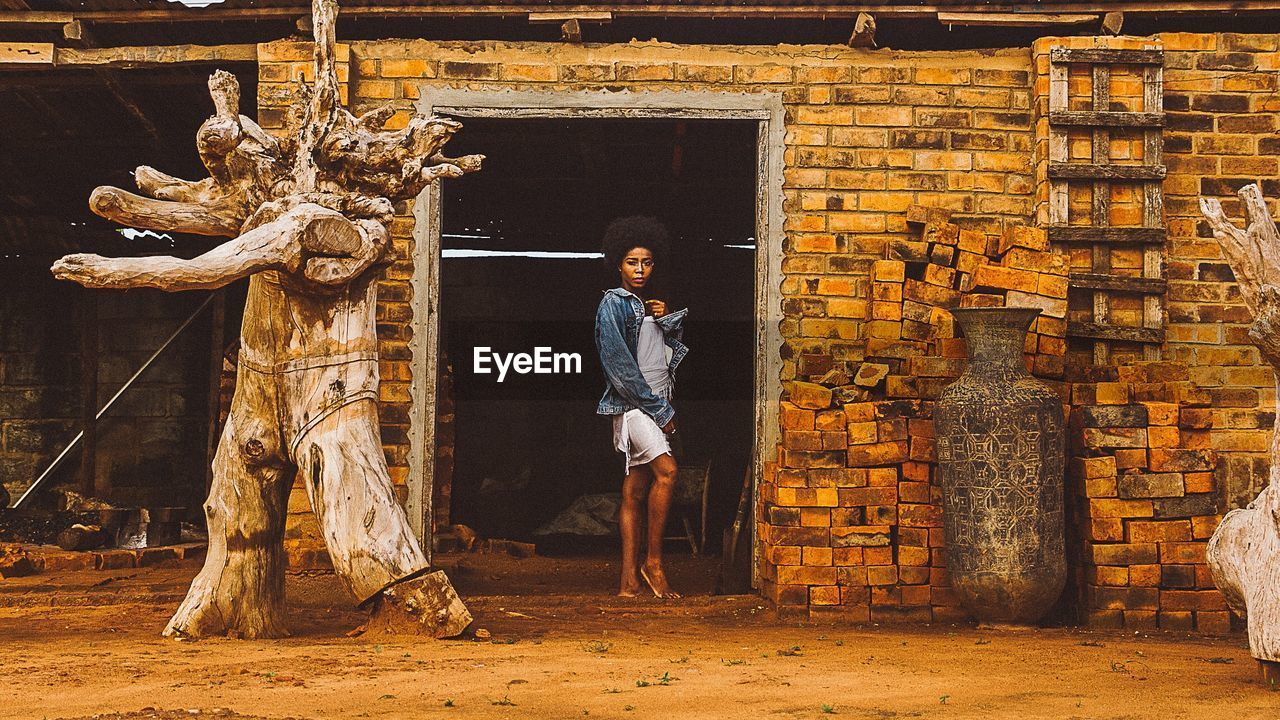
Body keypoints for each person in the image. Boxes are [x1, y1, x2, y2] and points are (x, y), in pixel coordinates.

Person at [594, 216, 689, 599]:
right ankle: (654, 563)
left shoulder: (647, 306)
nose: (639, 269)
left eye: (646, 262)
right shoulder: (612, 305)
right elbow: (620, 369)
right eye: (632, 262)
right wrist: (661, 412)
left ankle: (628, 583)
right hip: (635, 406)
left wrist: (666, 322)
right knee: (667, 473)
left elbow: (663, 358)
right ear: (618, 263)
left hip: (658, 398)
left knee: (634, 490)